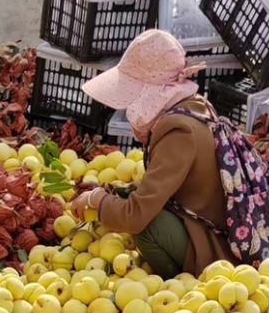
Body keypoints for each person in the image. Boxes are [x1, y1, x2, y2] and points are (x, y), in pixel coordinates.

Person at [73, 29, 234, 277]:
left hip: (217, 252)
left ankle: (175, 283)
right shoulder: (196, 106)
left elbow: (136, 217)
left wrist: (97, 199)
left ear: (150, 90)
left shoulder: (179, 131)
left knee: (148, 226)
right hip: (221, 230)